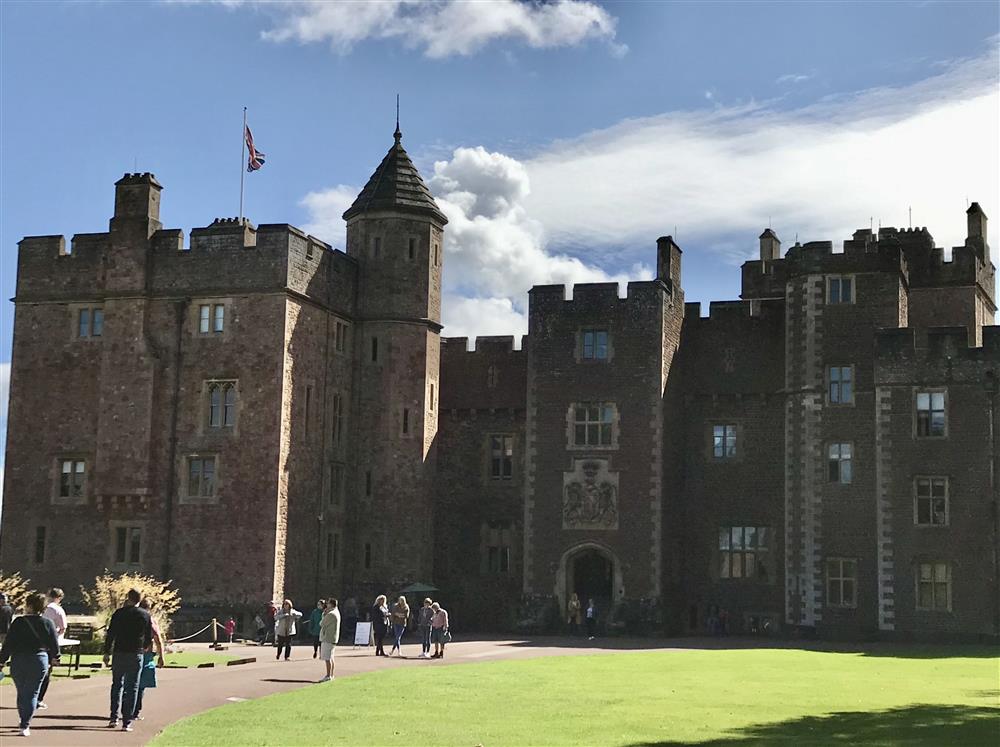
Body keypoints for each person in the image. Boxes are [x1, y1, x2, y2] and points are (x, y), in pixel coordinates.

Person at [0, 592, 60, 737]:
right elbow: (54, 644)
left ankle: (23, 718)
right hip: (39, 659)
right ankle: (25, 724)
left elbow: (9, 644)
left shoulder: (19, 622)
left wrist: (2, 660)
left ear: (29, 606)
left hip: (19, 659)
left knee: (22, 693)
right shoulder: (47, 623)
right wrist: (55, 658)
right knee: (32, 693)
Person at [104, 587, 152, 732]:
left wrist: (107, 652)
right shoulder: (144, 615)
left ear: (128, 598)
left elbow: (111, 634)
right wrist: (143, 647)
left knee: (117, 684)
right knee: (132, 687)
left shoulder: (119, 613)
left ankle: (113, 717)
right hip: (135, 652)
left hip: (119, 651)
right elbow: (148, 636)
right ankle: (127, 721)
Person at [132, 598, 165, 722]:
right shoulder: (151, 620)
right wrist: (162, 657)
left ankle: (128, 709)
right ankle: (135, 711)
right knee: (140, 685)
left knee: (130, 682)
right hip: (145, 654)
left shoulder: (132, 619)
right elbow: (158, 639)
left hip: (132, 651)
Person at [35, 587, 68, 711]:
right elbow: (63, 627)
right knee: (46, 672)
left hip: (37, 643)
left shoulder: (42, 608)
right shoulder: (58, 610)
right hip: (51, 644)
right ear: (59, 598)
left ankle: (32, 696)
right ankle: (39, 699)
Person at [318, 598, 341, 682]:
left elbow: (321, 623)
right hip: (332, 638)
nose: (326, 605)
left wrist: (324, 614)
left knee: (327, 658)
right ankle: (331, 674)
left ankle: (328, 675)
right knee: (331, 657)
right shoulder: (336, 612)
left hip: (328, 637)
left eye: (328, 604)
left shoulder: (331, 614)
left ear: (331, 604)